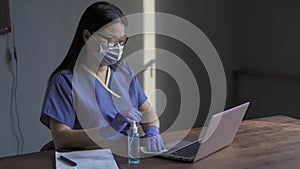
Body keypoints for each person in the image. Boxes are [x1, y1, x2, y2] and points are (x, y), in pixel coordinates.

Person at [40, 1, 165, 152]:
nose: (117, 47)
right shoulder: (65, 82)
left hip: (126, 155)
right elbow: (61, 138)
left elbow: (148, 111)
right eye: (110, 40)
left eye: (121, 41)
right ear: (87, 36)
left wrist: (152, 132)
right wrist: (107, 131)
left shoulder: (123, 72)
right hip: (89, 160)